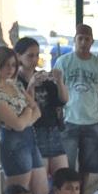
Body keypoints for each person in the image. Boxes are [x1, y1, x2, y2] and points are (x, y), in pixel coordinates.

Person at [56, 24, 98, 191]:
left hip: (92, 121)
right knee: (68, 164)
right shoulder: (63, 62)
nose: (83, 42)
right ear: (74, 40)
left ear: (92, 41)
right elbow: (56, 92)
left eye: (86, 39)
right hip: (69, 120)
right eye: (80, 38)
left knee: (88, 165)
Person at [0, 46, 47, 194]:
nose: (10, 69)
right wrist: (27, 113)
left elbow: (37, 110)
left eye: (13, 65)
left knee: (41, 193)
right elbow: (17, 124)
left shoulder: (15, 85)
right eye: (6, 65)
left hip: (30, 139)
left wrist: (25, 118)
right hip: (12, 142)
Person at [15, 36, 69, 179]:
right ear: (19, 56)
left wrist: (59, 82)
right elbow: (23, 106)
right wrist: (31, 85)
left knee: (64, 178)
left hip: (53, 130)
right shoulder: (15, 81)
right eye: (30, 55)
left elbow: (62, 100)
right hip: (34, 132)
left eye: (37, 55)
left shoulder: (42, 76)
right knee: (40, 183)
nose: (34, 59)